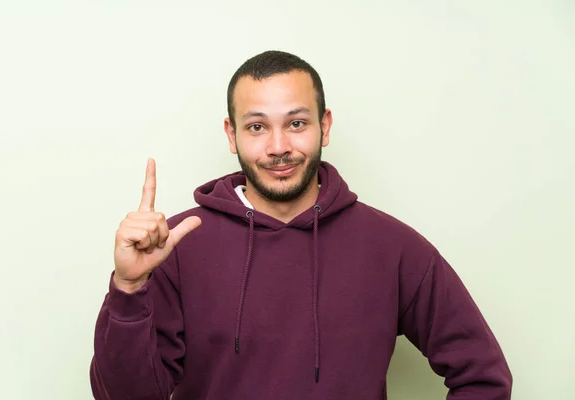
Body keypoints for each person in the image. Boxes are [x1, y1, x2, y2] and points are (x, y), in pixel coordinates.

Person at [89, 50, 512, 399]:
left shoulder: (394, 248)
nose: (279, 147)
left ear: (324, 126)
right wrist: (128, 290)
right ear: (231, 135)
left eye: (296, 123)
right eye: (257, 127)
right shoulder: (173, 246)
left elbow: (484, 377)